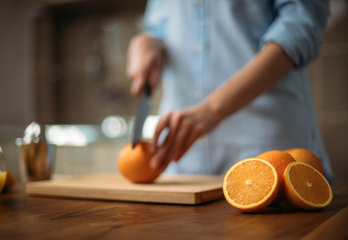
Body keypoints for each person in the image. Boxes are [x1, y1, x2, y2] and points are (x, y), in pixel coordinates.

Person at [126, 0, 334, 182]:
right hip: (182, 165)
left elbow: (300, 25)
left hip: (266, 148)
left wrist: (212, 109)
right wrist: (148, 42)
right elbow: (160, 26)